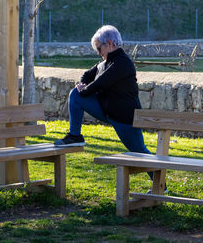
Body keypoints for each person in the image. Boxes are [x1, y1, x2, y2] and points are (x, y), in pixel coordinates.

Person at [54, 25, 166, 193]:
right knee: (74, 96)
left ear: (110, 43)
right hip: (107, 110)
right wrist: (82, 84)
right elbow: (88, 74)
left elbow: (101, 82)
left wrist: (84, 89)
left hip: (124, 117)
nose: (98, 52)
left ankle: (161, 186)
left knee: (139, 151)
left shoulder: (122, 63)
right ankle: (75, 135)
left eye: (99, 48)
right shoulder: (104, 63)